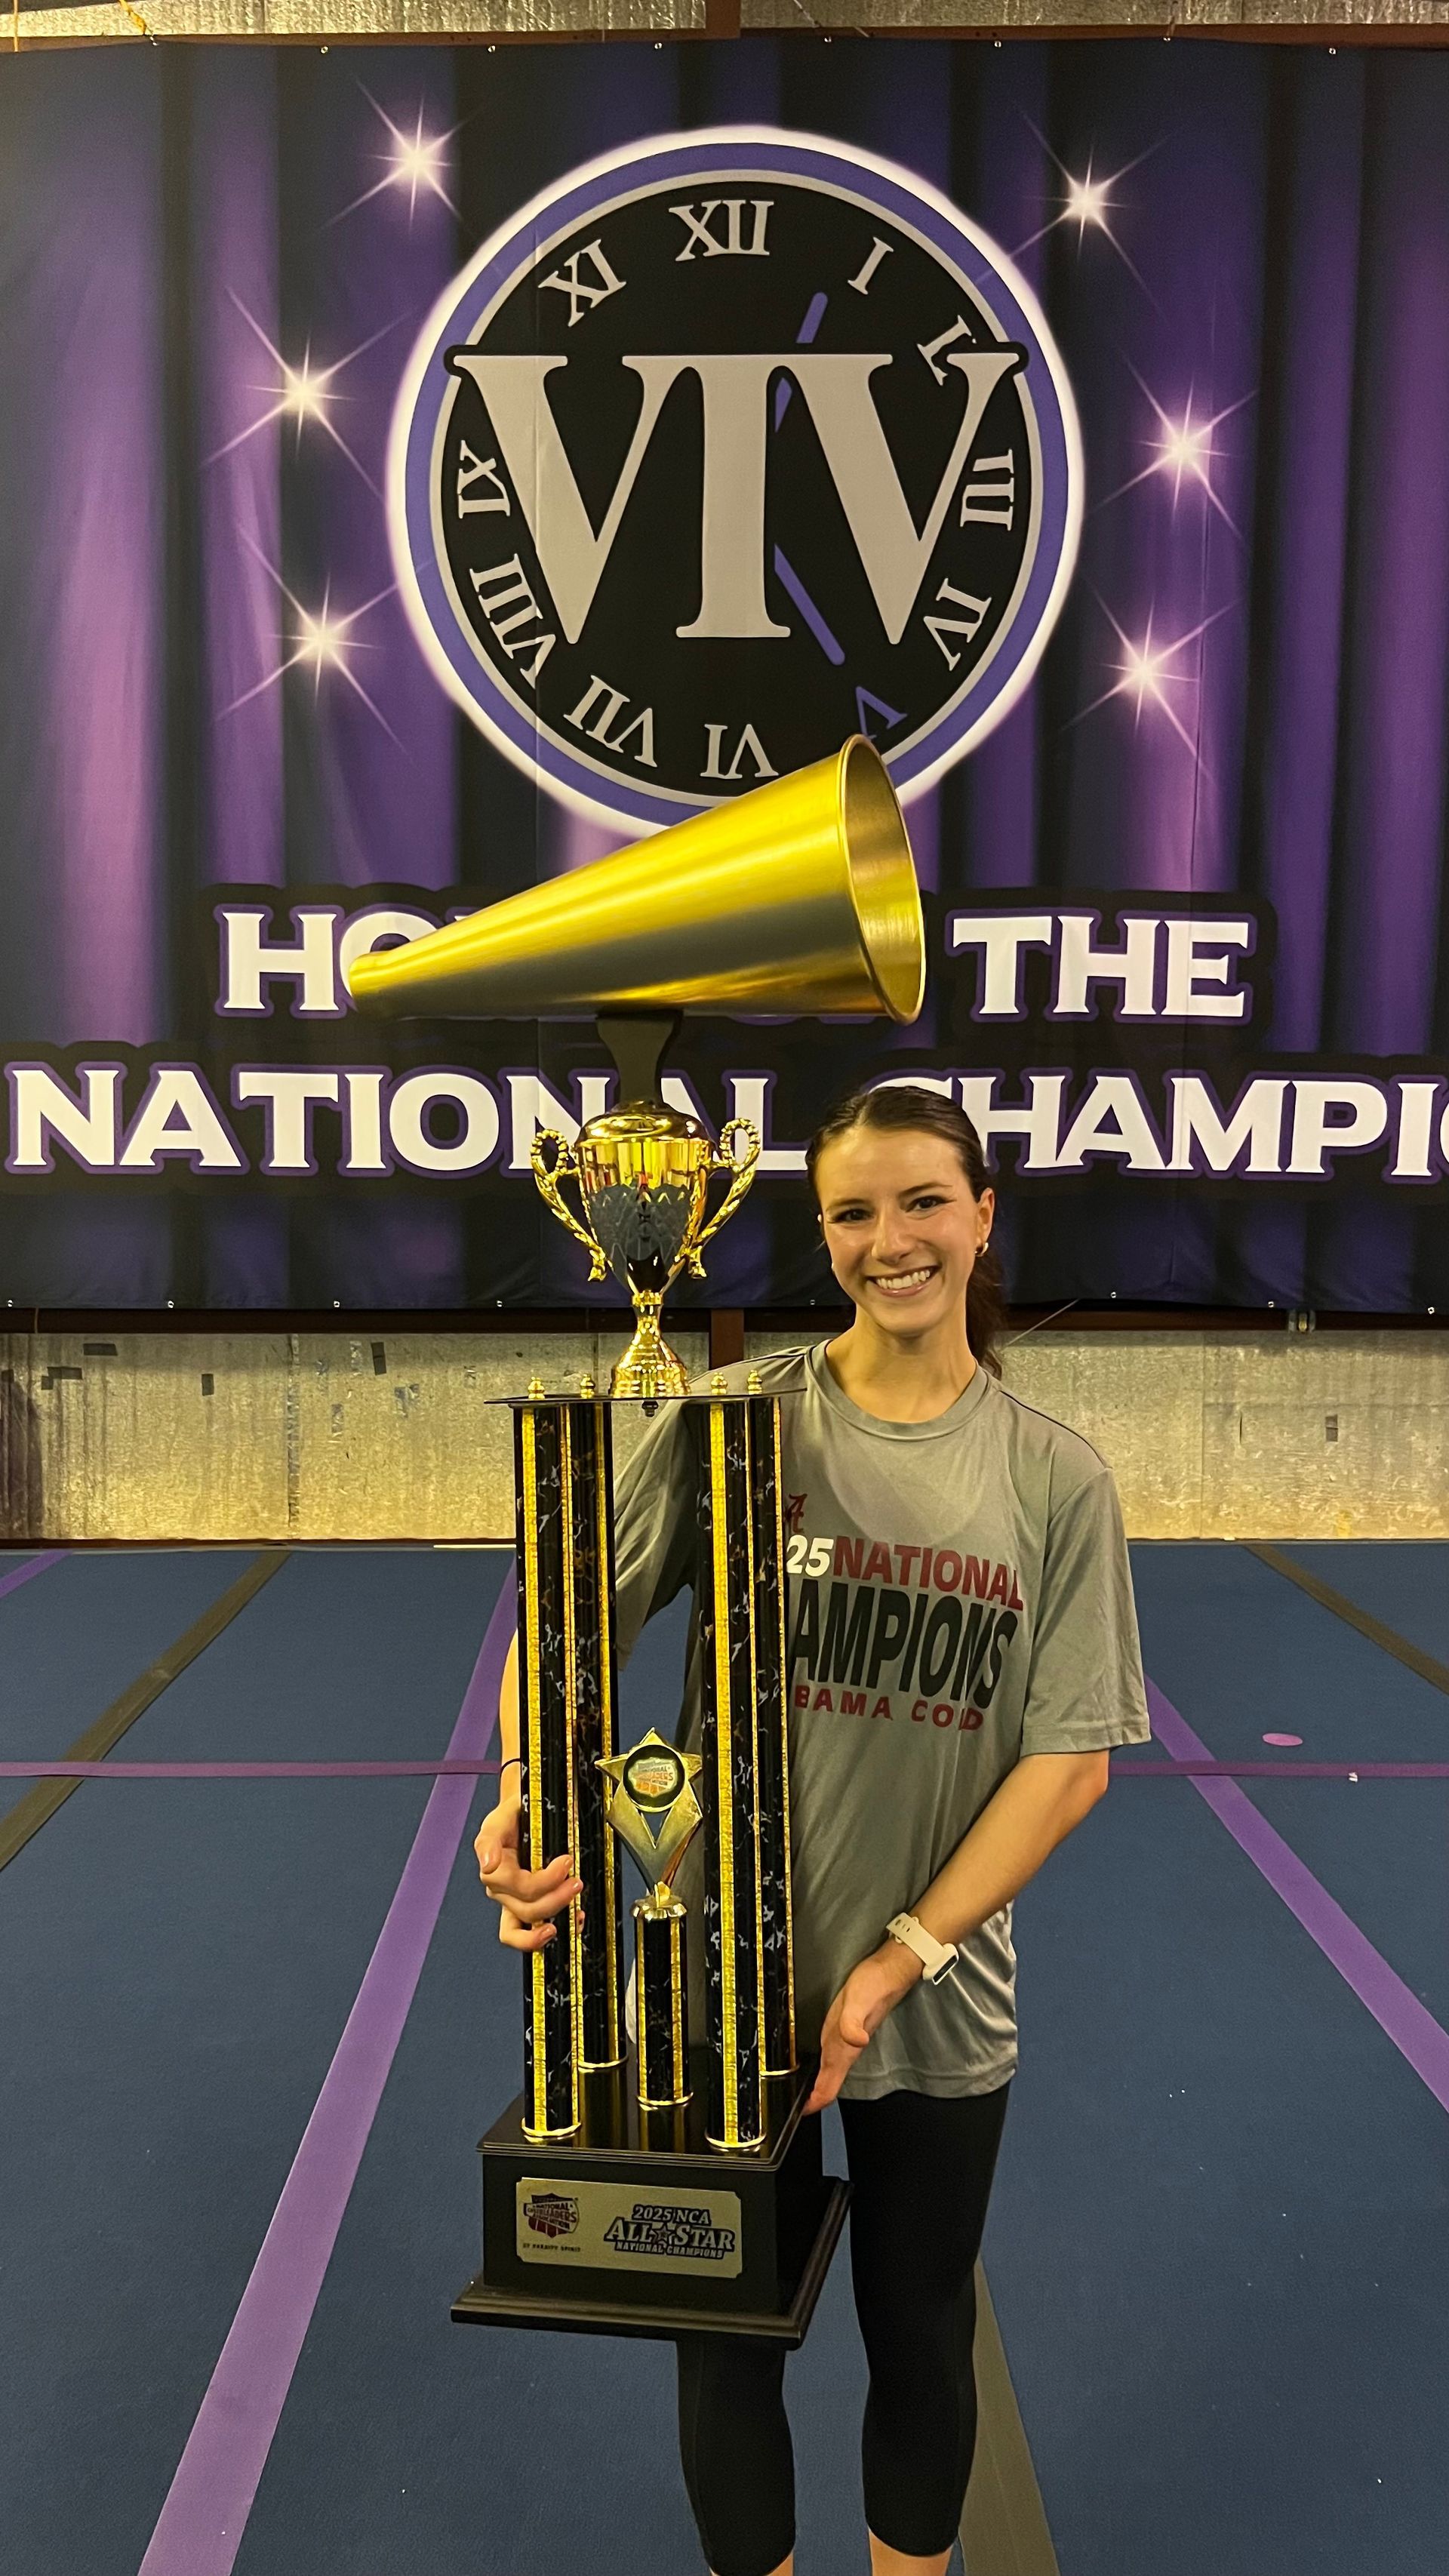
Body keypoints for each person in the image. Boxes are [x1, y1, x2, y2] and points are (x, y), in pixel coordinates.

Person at [475, 1080, 1150, 2576]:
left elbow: (1068, 1764)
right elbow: (567, 1618)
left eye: (923, 1202)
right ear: (821, 1231)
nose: (890, 1240)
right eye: (854, 1211)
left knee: (919, 2323)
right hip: (721, 1984)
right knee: (723, 2343)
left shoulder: (1054, 1478)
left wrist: (897, 1960)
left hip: (934, 1990)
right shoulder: (741, 1424)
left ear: (984, 1217)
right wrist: (526, 1795)